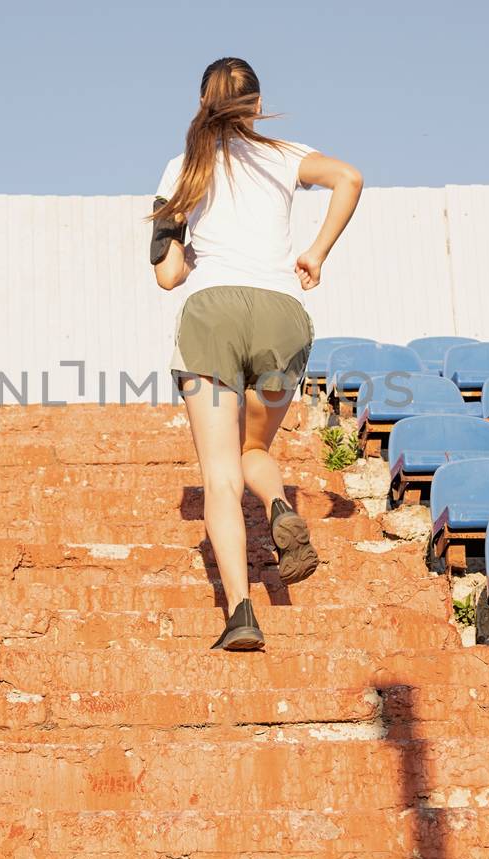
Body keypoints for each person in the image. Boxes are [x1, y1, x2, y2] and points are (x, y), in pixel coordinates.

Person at [151, 56, 363, 650]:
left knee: (219, 475)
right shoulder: (285, 154)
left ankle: (241, 613)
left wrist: (190, 255)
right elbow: (350, 176)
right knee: (254, 447)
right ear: (259, 105)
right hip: (279, 312)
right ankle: (276, 503)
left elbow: (167, 275)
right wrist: (316, 253)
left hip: (211, 311)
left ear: (202, 105)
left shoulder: (182, 168)